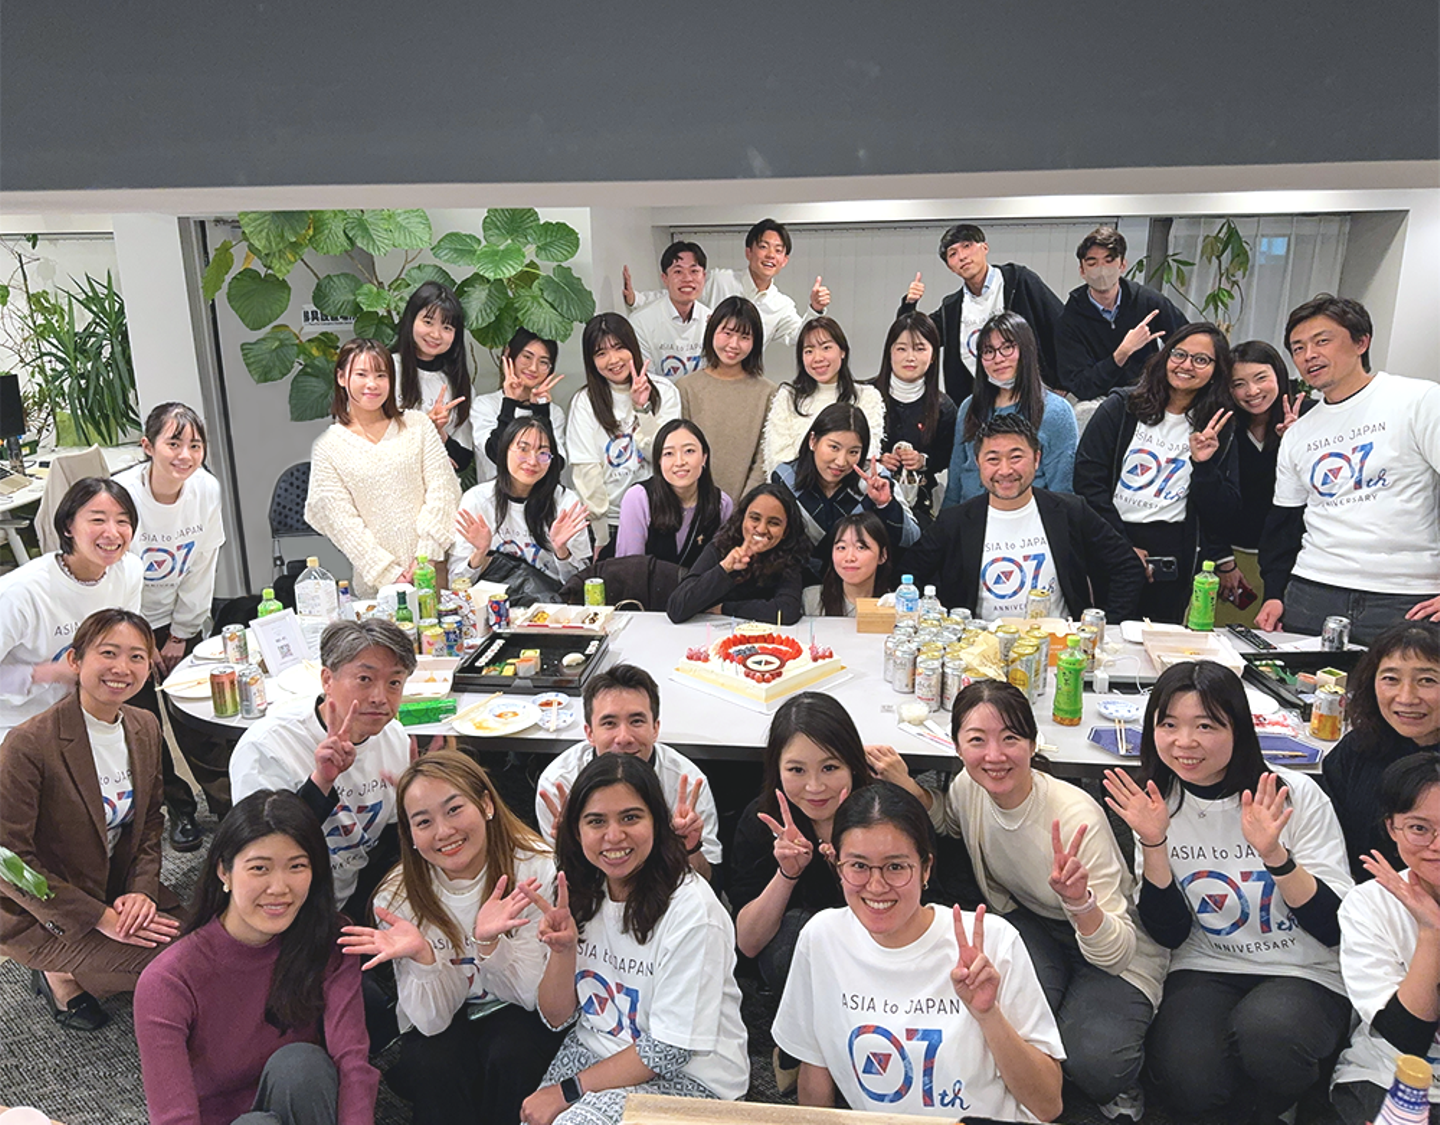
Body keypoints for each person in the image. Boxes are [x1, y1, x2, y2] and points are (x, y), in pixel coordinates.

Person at [1103, 660, 1353, 1124]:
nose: (1185, 742)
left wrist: (1274, 854)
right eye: (1169, 725)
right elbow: (1169, 933)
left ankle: (1283, 1102)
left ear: (1238, 729)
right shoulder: (1158, 804)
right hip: (1206, 963)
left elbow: (1334, 927)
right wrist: (1153, 842)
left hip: (1303, 967)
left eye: (1206, 726)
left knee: (1269, 1035)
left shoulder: (1291, 795)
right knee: (1187, 1078)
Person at [923, 681, 1165, 1119]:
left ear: (1033, 744)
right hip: (1035, 924)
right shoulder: (968, 788)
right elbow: (951, 821)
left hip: (1113, 943)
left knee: (1096, 1064)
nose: (994, 756)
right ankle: (1066, 1008)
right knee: (998, 1013)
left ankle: (1118, 1057)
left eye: (1010, 738)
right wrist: (911, 789)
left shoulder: (1075, 817)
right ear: (956, 746)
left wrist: (1080, 902)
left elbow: (1118, 952)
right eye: (976, 740)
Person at [773, 782, 1065, 1121]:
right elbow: (815, 1066)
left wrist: (988, 1015)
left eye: (896, 867)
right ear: (838, 866)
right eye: (858, 866)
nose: (876, 885)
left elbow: (1047, 1105)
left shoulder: (991, 941)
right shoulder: (822, 938)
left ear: (926, 868)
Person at [519, 753, 750, 1124]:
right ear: (576, 831)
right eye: (596, 821)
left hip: (693, 1078)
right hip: (598, 1054)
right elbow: (556, 1018)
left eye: (630, 818)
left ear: (657, 822)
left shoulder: (693, 910)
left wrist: (567, 1091)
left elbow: (669, 1051)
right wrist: (563, 952)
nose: (614, 836)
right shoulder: (577, 890)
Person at [337, 750, 565, 1125]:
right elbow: (430, 1023)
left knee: (513, 1051)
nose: (443, 832)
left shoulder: (535, 868)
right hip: (447, 1015)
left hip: (515, 1010)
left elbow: (532, 999)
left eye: (454, 810)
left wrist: (490, 945)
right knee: (431, 1062)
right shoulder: (395, 898)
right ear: (409, 834)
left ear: (486, 804)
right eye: (423, 821)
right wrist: (425, 960)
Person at [134, 790, 379, 1125]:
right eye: (259, 868)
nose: (279, 888)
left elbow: (352, 1061)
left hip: (298, 1102)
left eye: (297, 866)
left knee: (302, 1064)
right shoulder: (169, 980)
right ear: (224, 872)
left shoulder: (330, 940)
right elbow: (174, 1118)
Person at [0, 609, 181, 1032]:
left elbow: (150, 822)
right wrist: (99, 918)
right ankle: (58, 974)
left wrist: (141, 891)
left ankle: (90, 963)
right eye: (109, 653)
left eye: (137, 657)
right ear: (75, 660)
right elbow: (8, 861)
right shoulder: (28, 744)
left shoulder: (144, 725)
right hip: (46, 908)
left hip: (115, 885)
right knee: (173, 966)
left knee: (215, 940)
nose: (123, 668)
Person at [1257, 295, 1440, 643]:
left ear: (1361, 342)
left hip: (1405, 595)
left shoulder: (1418, 401)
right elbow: (1284, 524)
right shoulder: (1298, 433)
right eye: (1298, 348)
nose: (1309, 355)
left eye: (1322, 341)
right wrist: (1275, 592)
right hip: (1312, 591)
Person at [229, 619, 416, 916]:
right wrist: (320, 783)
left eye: (394, 683)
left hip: (356, 894)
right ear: (327, 680)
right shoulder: (267, 746)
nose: (380, 698)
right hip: (281, 904)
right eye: (365, 679)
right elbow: (262, 852)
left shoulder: (394, 738)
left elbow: (391, 842)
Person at [1073, 322, 1240, 623]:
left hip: (1175, 552)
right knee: (1103, 635)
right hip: (1111, 537)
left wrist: (1203, 466)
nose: (1186, 365)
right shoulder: (1121, 407)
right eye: (1179, 354)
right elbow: (1087, 481)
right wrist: (1121, 546)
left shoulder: (1219, 427)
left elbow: (1224, 511)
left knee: (1161, 639)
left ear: (1217, 370)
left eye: (1201, 360)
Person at [116, 401, 227, 848]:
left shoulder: (205, 489)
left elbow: (202, 563)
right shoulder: (123, 495)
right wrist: (138, 641)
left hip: (179, 619)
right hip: (125, 623)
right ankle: (178, 808)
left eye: (195, 445)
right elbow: (114, 573)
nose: (185, 455)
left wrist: (181, 633)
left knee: (197, 717)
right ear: (148, 446)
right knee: (144, 727)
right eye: (174, 443)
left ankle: (227, 805)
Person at [909, 414, 1146, 620]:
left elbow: (1127, 566)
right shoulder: (954, 522)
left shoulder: (1070, 511)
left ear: (1036, 459)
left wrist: (1104, 627)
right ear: (978, 463)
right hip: (980, 647)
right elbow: (909, 574)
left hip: (1058, 645)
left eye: (1016, 457)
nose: (1005, 470)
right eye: (993, 459)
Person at [305, 338, 461, 597]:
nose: (372, 384)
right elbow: (341, 522)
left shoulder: (418, 425)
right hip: (377, 590)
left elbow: (444, 491)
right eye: (361, 374)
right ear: (342, 377)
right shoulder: (328, 447)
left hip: (433, 576)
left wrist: (425, 558)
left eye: (381, 375)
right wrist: (388, 574)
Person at [535, 664, 721, 880]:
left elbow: (709, 880)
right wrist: (570, 846)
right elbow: (562, 883)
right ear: (590, 733)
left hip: (667, 888)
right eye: (609, 723)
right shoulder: (558, 784)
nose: (623, 737)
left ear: (655, 728)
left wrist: (690, 848)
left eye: (636, 721)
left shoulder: (688, 783)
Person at [1333, 754, 1440, 1125]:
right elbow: (1406, 1038)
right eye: (1419, 828)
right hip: (1388, 1074)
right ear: (1391, 828)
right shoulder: (1368, 904)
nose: (1436, 845)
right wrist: (1431, 932)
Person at [0, 476, 143, 736]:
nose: (112, 533)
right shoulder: (20, 594)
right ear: (68, 527)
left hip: (86, 711)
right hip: (19, 724)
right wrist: (49, 673)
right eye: (98, 520)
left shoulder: (130, 571)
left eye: (123, 521)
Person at [1323, 621, 1440, 879]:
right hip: (1355, 895)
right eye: (1391, 679)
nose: (1406, 697)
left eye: (1427, 680)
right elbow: (1325, 844)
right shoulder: (1357, 748)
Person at [898, 222, 1066, 402]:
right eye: (953, 254)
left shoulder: (1018, 281)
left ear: (984, 247)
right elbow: (916, 335)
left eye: (967, 246)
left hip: (1033, 393)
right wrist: (909, 305)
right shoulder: (951, 307)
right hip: (980, 401)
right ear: (950, 267)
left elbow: (1061, 325)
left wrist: (1062, 382)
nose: (962, 256)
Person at [624, 218, 830, 353]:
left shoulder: (781, 305)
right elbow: (683, 292)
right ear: (749, 252)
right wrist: (637, 300)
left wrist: (815, 309)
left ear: (784, 260)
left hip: (745, 379)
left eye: (778, 250)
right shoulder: (721, 280)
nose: (770, 255)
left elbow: (800, 337)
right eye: (763, 247)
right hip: (702, 369)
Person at [566, 313, 681, 550]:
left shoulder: (664, 391)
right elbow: (586, 471)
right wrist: (601, 536)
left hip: (658, 515)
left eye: (619, 347)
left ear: (632, 346)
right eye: (601, 353)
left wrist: (642, 409)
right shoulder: (585, 401)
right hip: (609, 522)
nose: (613, 360)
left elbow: (664, 458)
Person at [770, 403, 919, 581]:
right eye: (834, 447)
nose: (841, 462)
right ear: (813, 441)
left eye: (853, 452)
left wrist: (885, 504)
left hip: (862, 582)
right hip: (799, 581)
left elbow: (911, 538)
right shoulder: (785, 477)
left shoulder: (875, 479)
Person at [946, 311, 1078, 506]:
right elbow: (955, 480)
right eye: (988, 351)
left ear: (1026, 350)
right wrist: (946, 521)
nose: (998, 359)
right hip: (971, 515)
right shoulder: (969, 407)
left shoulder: (1055, 411)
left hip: (1030, 515)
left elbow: (1062, 490)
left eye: (1007, 348)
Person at [1222, 340, 1313, 618]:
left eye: (1261, 378)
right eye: (1239, 384)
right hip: (1233, 557)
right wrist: (1223, 561)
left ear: (1279, 375)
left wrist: (1296, 444)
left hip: (1294, 557)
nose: (1252, 391)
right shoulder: (1223, 426)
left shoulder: (1310, 417)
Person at [448, 417, 591, 586]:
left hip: (550, 600)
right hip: (493, 600)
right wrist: (480, 553)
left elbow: (581, 585)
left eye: (543, 453)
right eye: (523, 449)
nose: (532, 461)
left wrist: (562, 551)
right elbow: (455, 583)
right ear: (504, 451)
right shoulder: (477, 500)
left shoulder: (566, 502)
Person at [1056, 226, 1187, 400]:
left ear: (1122, 265)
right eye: (1092, 263)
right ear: (1082, 270)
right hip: (1100, 400)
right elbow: (1081, 386)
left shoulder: (1148, 301)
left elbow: (1188, 340)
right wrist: (1123, 352)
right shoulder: (1070, 319)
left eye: (1109, 261)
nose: (1101, 270)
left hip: (1149, 395)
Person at [674, 295, 777, 503]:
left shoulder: (768, 393)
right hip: (692, 504)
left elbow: (763, 459)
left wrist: (745, 506)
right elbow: (680, 452)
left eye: (744, 337)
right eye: (727, 333)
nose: (734, 344)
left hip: (745, 507)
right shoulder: (686, 387)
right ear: (712, 331)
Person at [665, 482, 807, 625]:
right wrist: (725, 568)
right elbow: (677, 608)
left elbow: (787, 611)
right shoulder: (720, 547)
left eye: (774, 523)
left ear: (785, 532)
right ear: (742, 519)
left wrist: (725, 608)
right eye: (755, 518)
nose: (761, 529)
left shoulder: (790, 558)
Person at [761, 317, 885, 476]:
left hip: (849, 488)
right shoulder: (788, 397)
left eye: (826, 348)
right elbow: (777, 459)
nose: (818, 358)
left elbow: (866, 455)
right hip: (794, 487)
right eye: (809, 351)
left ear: (842, 351)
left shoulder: (867, 396)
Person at [614, 419, 733, 569]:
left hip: (698, 585)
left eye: (689, 451)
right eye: (669, 453)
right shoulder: (638, 498)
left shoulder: (721, 504)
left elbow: (720, 568)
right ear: (659, 461)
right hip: (642, 583)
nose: (679, 462)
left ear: (704, 457)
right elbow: (629, 569)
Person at [873, 311, 955, 528]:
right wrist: (877, 461)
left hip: (920, 505)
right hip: (868, 503)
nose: (910, 357)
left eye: (920, 349)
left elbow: (947, 455)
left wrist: (923, 461)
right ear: (889, 352)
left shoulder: (944, 407)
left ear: (933, 355)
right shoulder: (866, 396)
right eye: (901, 348)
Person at [394, 280, 474, 473]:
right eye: (428, 322)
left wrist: (440, 433)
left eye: (447, 328)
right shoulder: (385, 370)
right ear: (411, 320)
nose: (436, 334)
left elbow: (462, 459)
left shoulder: (458, 383)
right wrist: (426, 429)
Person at [471, 329, 568, 484]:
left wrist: (541, 412)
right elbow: (496, 454)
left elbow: (555, 465)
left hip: (541, 498)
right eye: (527, 357)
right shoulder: (485, 405)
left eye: (543, 362)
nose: (533, 368)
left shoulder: (553, 412)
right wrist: (509, 402)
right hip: (493, 497)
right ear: (509, 355)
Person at [628, 241, 712, 379]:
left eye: (694, 271)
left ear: (704, 276)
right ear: (665, 278)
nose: (687, 278)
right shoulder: (640, 322)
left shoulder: (712, 320)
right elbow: (646, 377)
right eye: (678, 271)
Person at [802, 511, 893, 618]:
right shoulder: (811, 600)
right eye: (841, 547)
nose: (849, 557)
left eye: (861, 547)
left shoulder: (893, 604)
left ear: (882, 555)